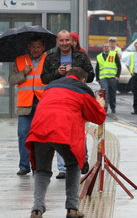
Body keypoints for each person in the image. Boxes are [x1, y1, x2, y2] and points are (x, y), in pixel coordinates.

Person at [25, 67, 106, 218]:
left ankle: (37, 209)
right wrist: (100, 104)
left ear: (68, 75)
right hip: (64, 132)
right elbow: (98, 117)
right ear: (82, 79)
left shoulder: (51, 86)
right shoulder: (82, 89)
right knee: (73, 165)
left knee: (42, 170)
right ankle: (72, 208)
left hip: (39, 130)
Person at [41, 29, 95, 178]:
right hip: (57, 101)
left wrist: (75, 71)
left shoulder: (81, 56)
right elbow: (44, 79)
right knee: (59, 132)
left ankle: (82, 159)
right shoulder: (50, 58)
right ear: (57, 42)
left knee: (77, 131)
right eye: (61, 40)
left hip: (77, 100)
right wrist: (58, 73)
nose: (64, 43)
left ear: (72, 41)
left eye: (67, 40)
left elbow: (90, 76)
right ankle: (63, 168)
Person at [8, 36, 47, 176]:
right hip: (25, 105)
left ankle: (39, 165)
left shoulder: (48, 60)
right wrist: (23, 73)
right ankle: (24, 166)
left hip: (43, 104)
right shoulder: (19, 60)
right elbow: (11, 80)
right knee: (23, 135)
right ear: (28, 47)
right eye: (33, 46)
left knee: (42, 137)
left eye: (38, 46)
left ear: (43, 48)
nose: (35, 49)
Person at [95, 42, 121, 113]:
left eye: (107, 46)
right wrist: (97, 78)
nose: (106, 48)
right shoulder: (99, 56)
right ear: (103, 48)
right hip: (103, 77)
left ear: (110, 47)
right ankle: (104, 107)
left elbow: (119, 65)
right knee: (104, 92)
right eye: (105, 46)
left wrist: (117, 76)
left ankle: (113, 107)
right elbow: (97, 68)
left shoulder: (114, 54)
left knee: (112, 93)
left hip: (112, 77)